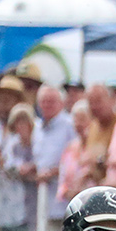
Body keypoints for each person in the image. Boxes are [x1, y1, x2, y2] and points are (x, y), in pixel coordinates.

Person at [32, 84, 76, 219]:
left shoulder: (70, 125)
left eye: (51, 101)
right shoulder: (36, 127)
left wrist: (54, 172)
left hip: (63, 200)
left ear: (61, 103)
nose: (46, 105)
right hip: (40, 200)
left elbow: (76, 157)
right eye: (43, 101)